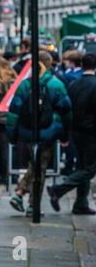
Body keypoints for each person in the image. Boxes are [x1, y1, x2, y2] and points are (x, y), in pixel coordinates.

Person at [7, 52, 72, 216]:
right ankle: (31, 204)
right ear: (49, 64)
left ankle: (21, 195)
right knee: (39, 168)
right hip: (48, 133)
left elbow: (13, 112)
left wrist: (12, 135)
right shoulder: (56, 84)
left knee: (34, 165)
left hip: (27, 132)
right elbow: (66, 112)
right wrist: (65, 136)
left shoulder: (24, 85)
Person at [47, 53, 96, 215]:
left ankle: (80, 203)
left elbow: (67, 110)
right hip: (91, 133)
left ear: (82, 65)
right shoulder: (94, 84)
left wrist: (66, 134)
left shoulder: (74, 84)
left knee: (82, 166)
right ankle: (58, 189)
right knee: (90, 169)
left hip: (76, 131)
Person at [0, 57, 17, 185]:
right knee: (9, 147)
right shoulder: (14, 80)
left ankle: (4, 175)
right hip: (11, 117)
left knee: (2, 149)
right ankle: (11, 174)